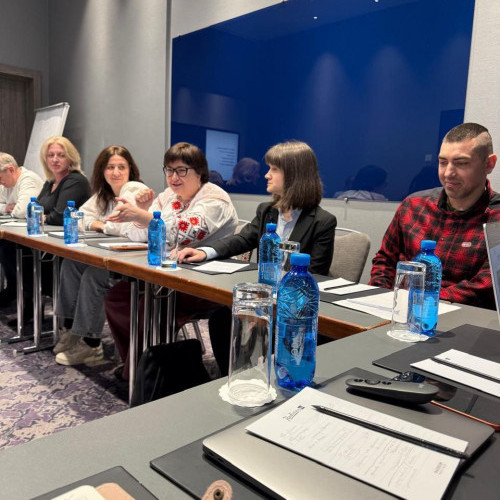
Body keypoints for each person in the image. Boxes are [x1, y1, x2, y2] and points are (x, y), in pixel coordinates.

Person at [178, 140, 337, 375]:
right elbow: (243, 239)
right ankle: (230, 378)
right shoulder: (267, 211)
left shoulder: (322, 221)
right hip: (264, 297)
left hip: (295, 308)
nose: (266, 175)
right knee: (222, 319)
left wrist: (265, 308)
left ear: (295, 174)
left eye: (274, 169)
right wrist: (205, 251)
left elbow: (315, 272)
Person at [103, 142, 239, 379]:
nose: (174, 177)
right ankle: (137, 366)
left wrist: (143, 216)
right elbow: (138, 234)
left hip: (205, 281)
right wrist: (142, 212)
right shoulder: (168, 196)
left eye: (181, 170)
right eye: (169, 170)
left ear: (199, 172)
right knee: (118, 297)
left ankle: (143, 374)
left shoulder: (215, 199)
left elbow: (183, 232)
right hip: (168, 275)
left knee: (150, 306)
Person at [369, 122, 499, 309]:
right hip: (398, 310)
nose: (448, 173)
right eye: (443, 162)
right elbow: (385, 261)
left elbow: (485, 287)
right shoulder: (413, 206)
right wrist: (378, 299)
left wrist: (420, 301)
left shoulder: (496, 217)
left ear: (489, 164)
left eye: (461, 163)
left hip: (463, 316)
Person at [53, 146, 147, 366]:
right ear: (102, 171)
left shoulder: (135, 190)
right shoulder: (103, 195)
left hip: (134, 265)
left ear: (130, 169)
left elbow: (120, 226)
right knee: (71, 264)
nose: (116, 172)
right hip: (111, 256)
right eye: (110, 167)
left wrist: (102, 225)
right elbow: (77, 218)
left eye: (121, 167)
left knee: (93, 275)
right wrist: (99, 224)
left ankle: (91, 344)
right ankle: (72, 329)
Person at [0, 153, 44, 305]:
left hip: (35, 233)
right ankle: (14, 288)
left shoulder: (28, 179)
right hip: (17, 231)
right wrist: (6, 207)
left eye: (0, 178)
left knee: (8, 249)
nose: (0, 183)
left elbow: (23, 210)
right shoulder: (6, 184)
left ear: (11, 169)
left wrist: (10, 209)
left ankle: (26, 294)